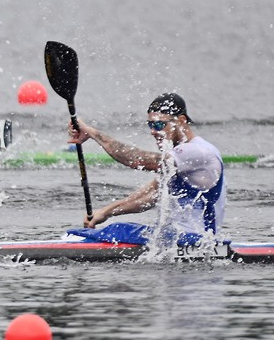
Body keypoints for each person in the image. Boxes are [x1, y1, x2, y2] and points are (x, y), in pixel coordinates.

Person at [68, 93, 225, 242]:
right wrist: (105, 212)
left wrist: (92, 133)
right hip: (173, 238)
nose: (153, 131)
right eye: (150, 124)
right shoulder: (178, 160)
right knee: (120, 229)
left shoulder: (197, 151)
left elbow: (137, 160)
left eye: (159, 124)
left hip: (197, 242)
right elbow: (148, 197)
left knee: (114, 231)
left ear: (181, 120)